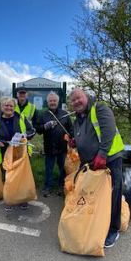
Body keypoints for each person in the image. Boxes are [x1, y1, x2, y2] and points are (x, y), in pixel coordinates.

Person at [69, 87, 124, 248]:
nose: (76, 102)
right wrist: (75, 142)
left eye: (79, 98)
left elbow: (109, 131)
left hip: (110, 160)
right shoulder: (77, 118)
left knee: (113, 194)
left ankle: (113, 229)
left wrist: (102, 154)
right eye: (73, 100)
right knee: (93, 195)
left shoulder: (99, 108)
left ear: (86, 96)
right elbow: (82, 136)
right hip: (91, 164)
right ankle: (95, 222)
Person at [0, 97, 35, 210]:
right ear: (2, 107)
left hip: (21, 153)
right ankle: (9, 200)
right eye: (6, 105)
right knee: (8, 177)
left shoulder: (21, 117)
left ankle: (22, 200)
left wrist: (24, 135)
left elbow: (32, 131)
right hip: (5, 153)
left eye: (11, 106)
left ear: (14, 107)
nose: (9, 108)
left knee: (21, 177)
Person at [36, 91, 73, 197]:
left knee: (63, 168)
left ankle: (62, 186)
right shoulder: (43, 114)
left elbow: (71, 128)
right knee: (49, 169)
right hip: (49, 146)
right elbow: (38, 130)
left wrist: (70, 136)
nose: (52, 102)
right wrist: (44, 126)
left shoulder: (65, 113)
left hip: (62, 147)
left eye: (54, 100)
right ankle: (48, 187)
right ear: (48, 102)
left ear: (58, 101)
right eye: (50, 101)